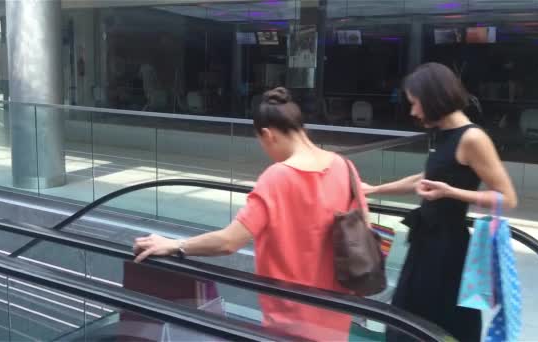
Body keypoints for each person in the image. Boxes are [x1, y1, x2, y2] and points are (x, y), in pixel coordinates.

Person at [133, 87, 368, 341]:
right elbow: (363, 229)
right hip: (336, 319)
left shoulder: (277, 177)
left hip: (289, 323)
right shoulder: (345, 167)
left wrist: (175, 245)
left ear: (268, 135)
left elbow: (229, 242)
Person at [362, 63, 517, 342]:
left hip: (447, 248)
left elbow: (507, 198)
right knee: (410, 317)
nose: (413, 112)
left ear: (433, 99)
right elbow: (424, 179)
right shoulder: (445, 135)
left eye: (416, 103)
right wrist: (374, 189)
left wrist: (452, 193)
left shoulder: (473, 138)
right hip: (427, 242)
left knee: (435, 320)